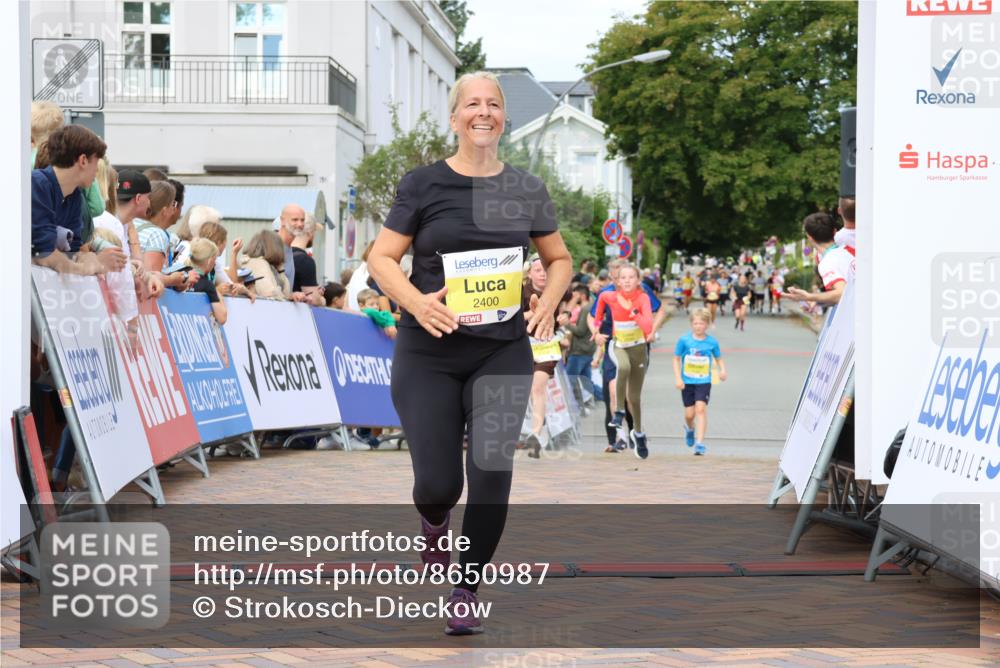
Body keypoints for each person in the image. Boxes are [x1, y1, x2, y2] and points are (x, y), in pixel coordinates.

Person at [366, 71, 571, 636]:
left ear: (504, 117)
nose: (484, 113)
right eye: (472, 104)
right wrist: (415, 302)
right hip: (427, 351)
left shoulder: (527, 188)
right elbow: (381, 258)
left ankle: (466, 586)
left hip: (500, 351)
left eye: (494, 104)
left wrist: (548, 303)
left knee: (490, 473)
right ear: (455, 117)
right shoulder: (423, 184)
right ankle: (434, 522)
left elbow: (560, 260)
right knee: (438, 485)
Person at [593, 263, 654, 459]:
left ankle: (638, 434)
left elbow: (647, 327)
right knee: (623, 367)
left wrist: (633, 311)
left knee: (634, 399)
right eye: (623, 277)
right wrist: (596, 329)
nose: (627, 280)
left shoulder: (643, 298)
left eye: (631, 277)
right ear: (617, 281)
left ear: (637, 280)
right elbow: (598, 309)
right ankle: (619, 411)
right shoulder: (608, 296)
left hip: (638, 348)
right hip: (617, 345)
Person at [523, 255, 565, 458]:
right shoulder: (520, 292)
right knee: (528, 391)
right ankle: (540, 426)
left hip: (547, 346)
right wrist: (532, 314)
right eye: (537, 270)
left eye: (545, 270)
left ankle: (536, 434)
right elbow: (510, 318)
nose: (542, 274)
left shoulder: (556, 291)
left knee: (538, 386)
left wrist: (566, 319)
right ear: (529, 273)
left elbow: (567, 313)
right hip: (524, 347)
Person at [674, 308, 727, 456]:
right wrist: (678, 378)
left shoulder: (711, 342)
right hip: (687, 381)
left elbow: (719, 358)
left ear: (707, 325)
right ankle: (690, 429)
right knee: (690, 414)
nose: (698, 326)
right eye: (695, 323)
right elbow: (676, 359)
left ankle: (700, 443)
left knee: (700, 409)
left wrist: (722, 370)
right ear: (691, 324)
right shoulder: (684, 340)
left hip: (704, 380)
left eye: (701, 323)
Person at [786, 212, 856, 306]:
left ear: (809, 237)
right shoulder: (849, 249)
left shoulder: (827, 262)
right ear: (834, 231)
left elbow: (841, 294)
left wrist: (809, 297)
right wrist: (817, 302)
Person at [173, 238, 228, 324]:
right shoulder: (207, 285)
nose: (215, 263)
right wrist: (217, 292)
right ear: (209, 261)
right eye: (215, 260)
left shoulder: (177, 275)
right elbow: (222, 318)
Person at [241, 230, 291, 300]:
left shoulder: (269, 265)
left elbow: (286, 295)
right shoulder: (259, 264)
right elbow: (269, 293)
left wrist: (281, 271)